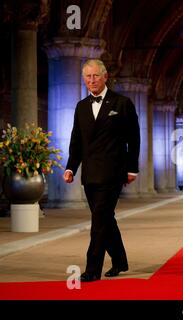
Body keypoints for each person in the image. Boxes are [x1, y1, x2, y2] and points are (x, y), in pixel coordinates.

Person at [64, 59, 140, 282]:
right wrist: (71, 167)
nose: (92, 80)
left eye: (96, 76)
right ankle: (120, 260)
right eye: (87, 77)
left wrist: (132, 168)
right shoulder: (81, 106)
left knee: (99, 220)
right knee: (106, 218)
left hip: (113, 171)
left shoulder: (122, 103)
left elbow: (133, 139)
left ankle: (92, 269)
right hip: (90, 173)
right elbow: (76, 141)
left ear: (105, 77)